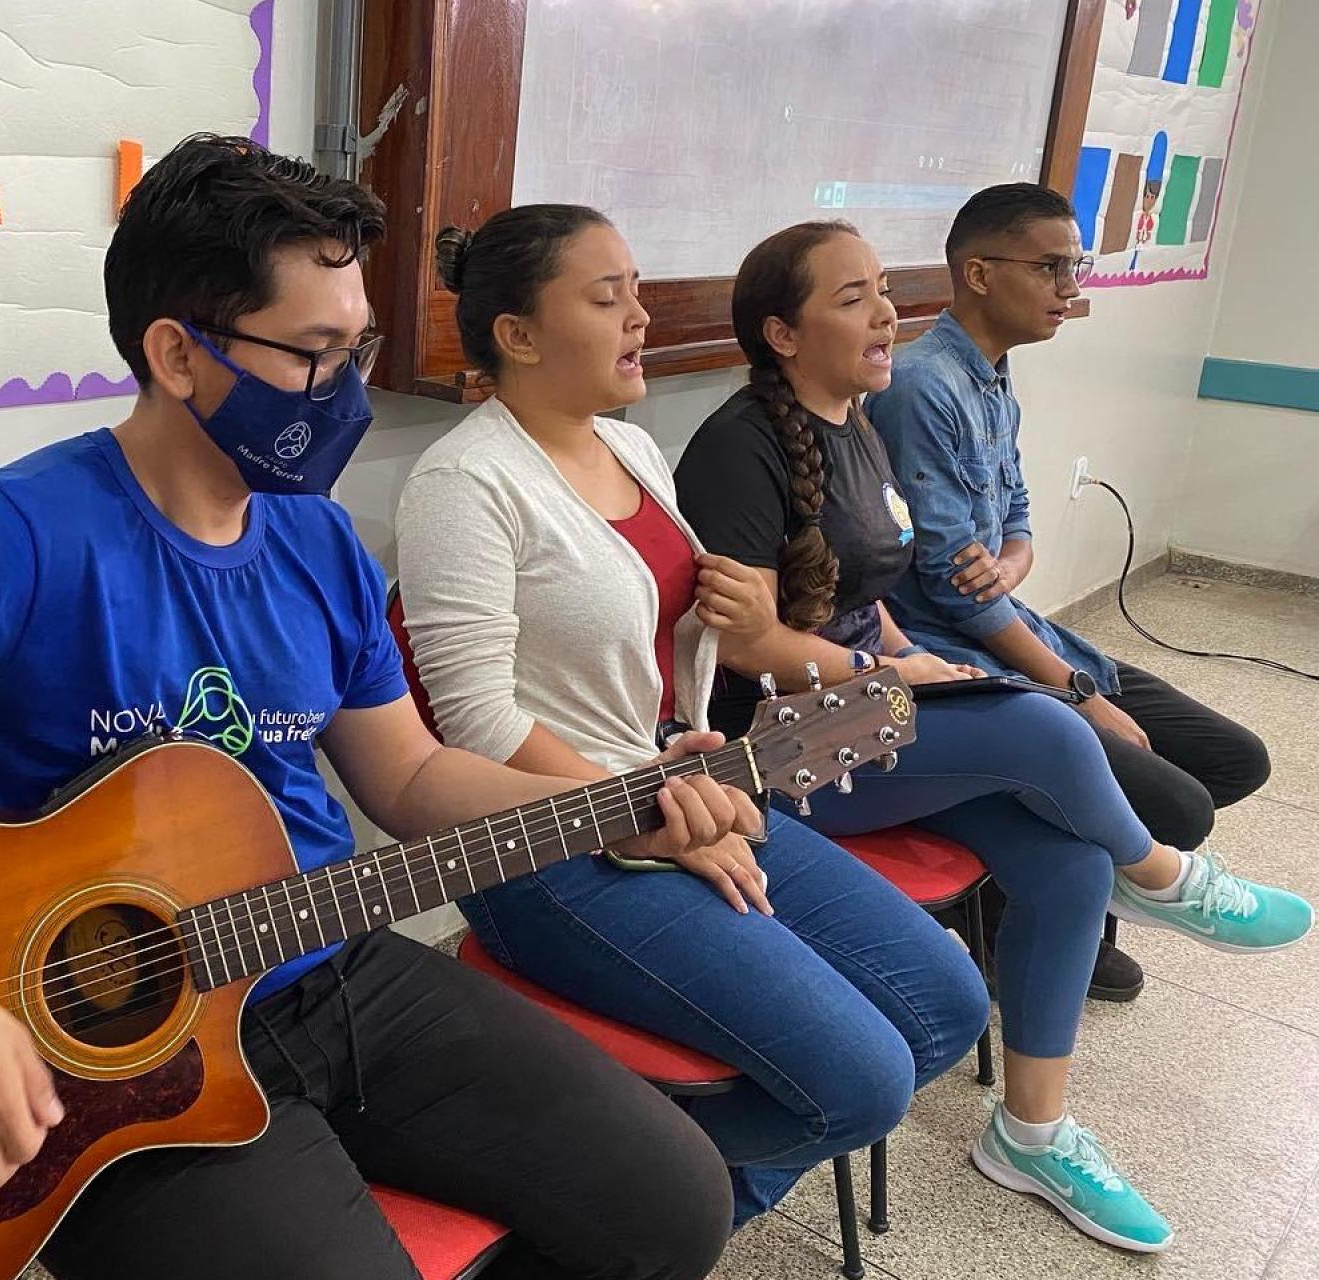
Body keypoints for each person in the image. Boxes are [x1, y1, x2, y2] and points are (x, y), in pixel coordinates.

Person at [0, 136, 741, 1280]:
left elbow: (407, 779)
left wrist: (609, 803)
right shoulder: (20, 535)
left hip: (321, 963)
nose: (344, 388)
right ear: (178, 355)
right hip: (95, 1046)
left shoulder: (318, 537)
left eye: (358, 348)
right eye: (312, 352)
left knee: (673, 1203)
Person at [672, 217, 1310, 1254]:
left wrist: (899, 656)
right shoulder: (736, 450)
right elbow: (746, 654)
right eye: (853, 297)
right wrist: (887, 672)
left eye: (884, 288)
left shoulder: (858, 420)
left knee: (1060, 860)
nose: (887, 312)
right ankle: (1162, 878)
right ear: (783, 334)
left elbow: (861, 596)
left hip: (862, 704)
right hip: (776, 749)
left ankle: (1033, 1131)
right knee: (1047, 728)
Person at [393, 203, 991, 1229]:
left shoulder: (631, 448)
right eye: (605, 295)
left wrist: (684, 739)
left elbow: (647, 664)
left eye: (635, 288)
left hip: (676, 794)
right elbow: (478, 719)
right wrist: (647, 802)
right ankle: (620, 1208)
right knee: (865, 1081)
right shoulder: (463, 481)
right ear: (519, 334)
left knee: (944, 1003)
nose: (639, 316)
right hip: (539, 840)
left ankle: (664, 1208)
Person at [864, 182, 1274, 1004]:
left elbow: (1014, 522)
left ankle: (1059, 893)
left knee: (1235, 758)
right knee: (1179, 808)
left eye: (1074, 266)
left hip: (1012, 625)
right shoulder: (921, 385)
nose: (1070, 288)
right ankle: (1048, 906)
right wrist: (1078, 693)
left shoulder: (989, 375)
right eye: (1051, 267)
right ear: (978, 273)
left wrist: (1012, 566)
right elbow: (951, 587)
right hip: (959, 652)